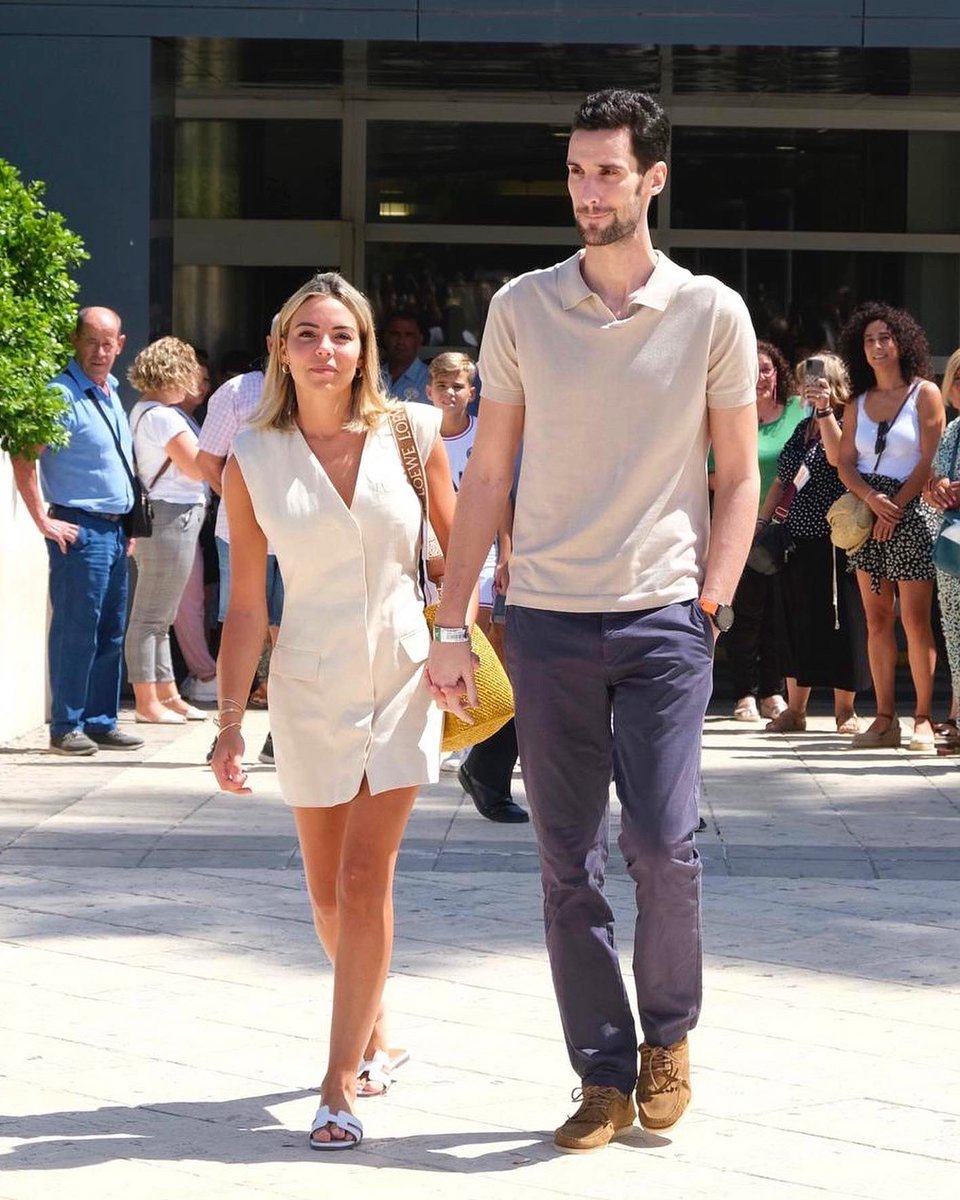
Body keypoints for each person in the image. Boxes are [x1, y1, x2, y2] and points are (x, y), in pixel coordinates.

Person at [426, 88, 759, 1151]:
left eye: (608, 172)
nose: (587, 191)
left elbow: (740, 473)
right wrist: (450, 623)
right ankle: (603, 1075)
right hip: (549, 622)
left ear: (653, 178)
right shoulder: (523, 307)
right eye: (576, 171)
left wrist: (712, 601)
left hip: (665, 618)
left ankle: (670, 1036)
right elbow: (489, 476)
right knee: (566, 863)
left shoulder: (711, 310)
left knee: (662, 843)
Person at [210, 272, 461, 1151]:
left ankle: (337, 1083)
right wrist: (229, 720)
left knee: (363, 879)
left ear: (365, 350)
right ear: (281, 350)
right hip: (308, 685)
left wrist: (456, 640)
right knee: (325, 894)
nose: (326, 350)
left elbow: (460, 556)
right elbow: (248, 604)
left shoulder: (414, 432)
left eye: (342, 335)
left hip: (402, 676)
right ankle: (380, 1031)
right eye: (308, 334)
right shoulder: (251, 456)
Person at [11, 307, 145, 756]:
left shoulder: (111, 392)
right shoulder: (61, 394)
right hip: (80, 529)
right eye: (91, 342)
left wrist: (128, 524)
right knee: (77, 630)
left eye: (108, 343)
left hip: (114, 531)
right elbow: (24, 455)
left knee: (110, 631)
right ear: (75, 341)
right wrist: (42, 519)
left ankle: (101, 721)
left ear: (120, 345)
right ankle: (66, 725)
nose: (100, 352)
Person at [837, 304, 945, 751]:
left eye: (885, 337)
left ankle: (923, 717)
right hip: (869, 513)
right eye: (869, 340)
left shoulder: (925, 393)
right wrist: (870, 500)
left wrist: (894, 508)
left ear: (902, 342)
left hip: (910, 512)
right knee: (877, 618)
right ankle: (885, 718)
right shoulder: (856, 403)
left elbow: (930, 458)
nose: (877, 346)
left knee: (916, 620)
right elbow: (845, 463)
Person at [425, 352, 527, 823]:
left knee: (483, 642)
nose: (451, 393)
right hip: (433, 552)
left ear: (472, 392)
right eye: (443, 385)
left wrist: (507, 550)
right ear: (430, 390)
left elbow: (498, 493)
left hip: (482, 552)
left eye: (459, 386)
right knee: (444, 641)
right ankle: (452, 729)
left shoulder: (484, 431)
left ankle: (475, 734)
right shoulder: (419, 433)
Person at [763, 353, 870, 734]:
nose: (810, 385)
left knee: (843, 622)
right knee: (795, 621)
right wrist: (762, 522)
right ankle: (796, 710)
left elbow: (838, 459)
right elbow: (782, 478)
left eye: (820, 379)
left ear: (835, 383)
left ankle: (845, 711)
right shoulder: (801, 427)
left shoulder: (844, 421)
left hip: (835, 538)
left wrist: (825, 411)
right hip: (796, 539)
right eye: (807, 379)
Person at [196, 322, 283, 761]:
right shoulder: (236, 392)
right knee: (241, 629)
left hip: (298, 538)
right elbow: (208, 460)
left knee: (290, 633)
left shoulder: (320, 393)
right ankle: (229, 729)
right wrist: (241, 506)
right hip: (240, 536)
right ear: (271, 343)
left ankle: (281, 733)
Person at [124, 337, 209, 724]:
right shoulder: (163, 417)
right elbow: (197, 467)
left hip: (170, 516)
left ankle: (168, 694)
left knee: (162, 614)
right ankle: (148, 702)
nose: (193, 383)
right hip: (171, 516)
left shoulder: (145, 411)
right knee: (151, 616)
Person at [724, 342, 805, 722]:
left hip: (789, 528)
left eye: (767, 369)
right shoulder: (729, 412)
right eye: (753, 368)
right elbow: (713, 473)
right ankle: (745, 693)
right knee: (744, 614)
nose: (760, 377)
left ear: (778, 373)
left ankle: (774, 692)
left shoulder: (797, 410)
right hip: (740, 528)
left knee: (780, 614)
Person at [923, 346, 960, 748]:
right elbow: (933, 482)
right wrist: (937, 490)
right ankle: (955, 716)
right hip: (952, 545)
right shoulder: (952, 430)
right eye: (959, 378)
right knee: (954, 633)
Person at [379, 310, 430, 405]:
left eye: (408, 335)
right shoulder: (372, 376)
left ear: (420, 339)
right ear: (385, 337)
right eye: (395, 334)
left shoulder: (431, 379)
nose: (401, 341)